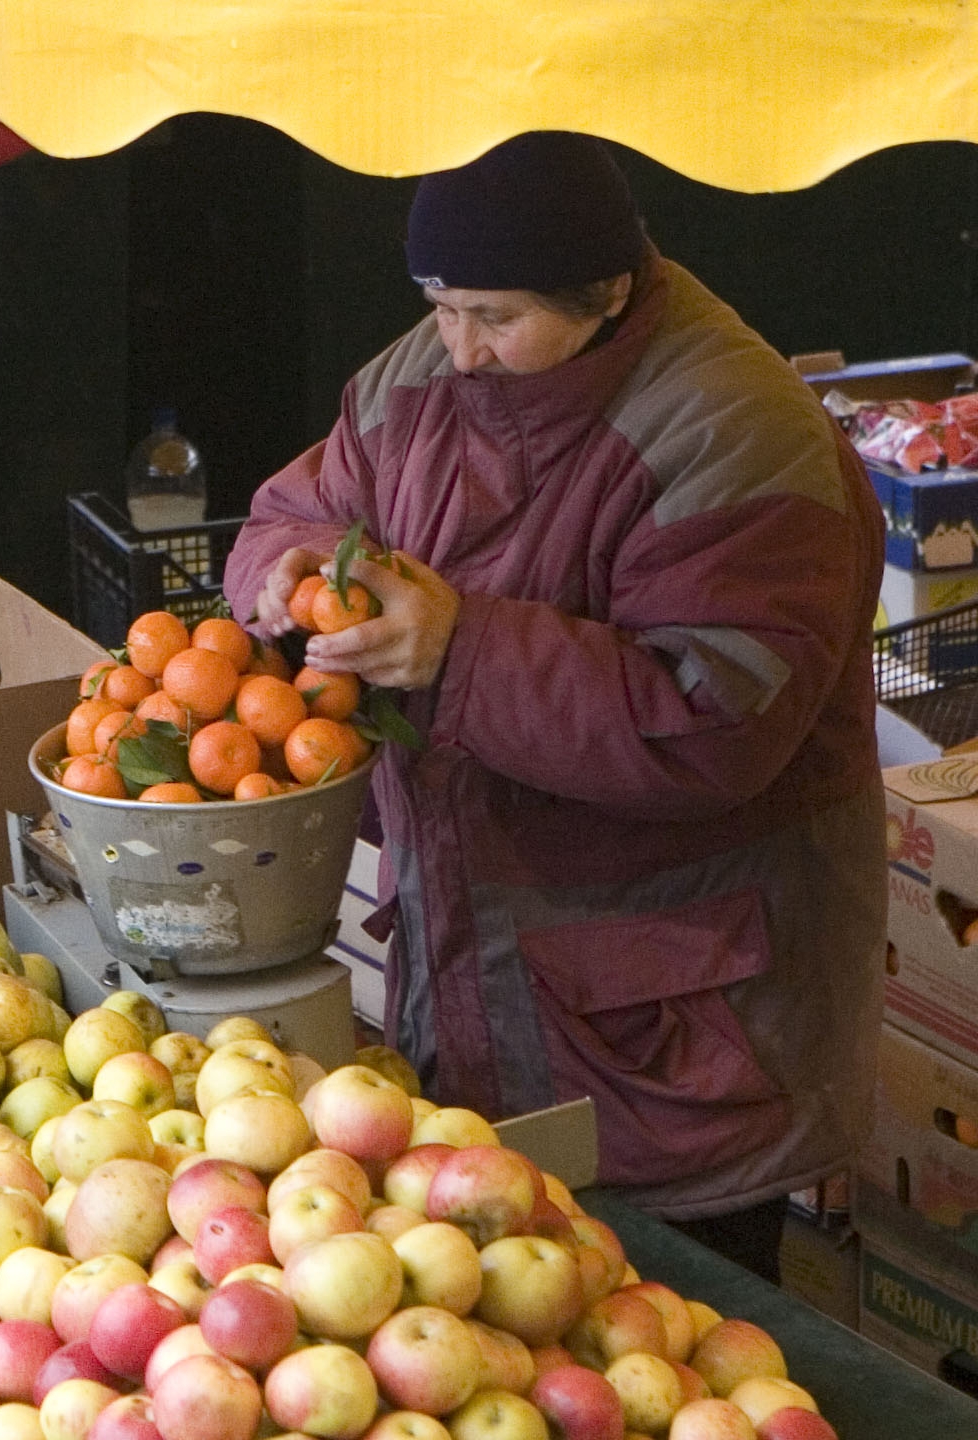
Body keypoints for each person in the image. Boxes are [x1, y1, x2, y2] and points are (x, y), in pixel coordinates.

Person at [224, 132, 885, 1281]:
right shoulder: (411, 386)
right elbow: (293, 508)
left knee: (694, 1345)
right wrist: (285, 575)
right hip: (475, 981)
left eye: (495, 315)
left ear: (608, 293)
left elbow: (711, 720)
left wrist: (458, 649)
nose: (460, 347)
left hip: (685, 1031)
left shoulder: (741, 434)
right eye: (438, 305)